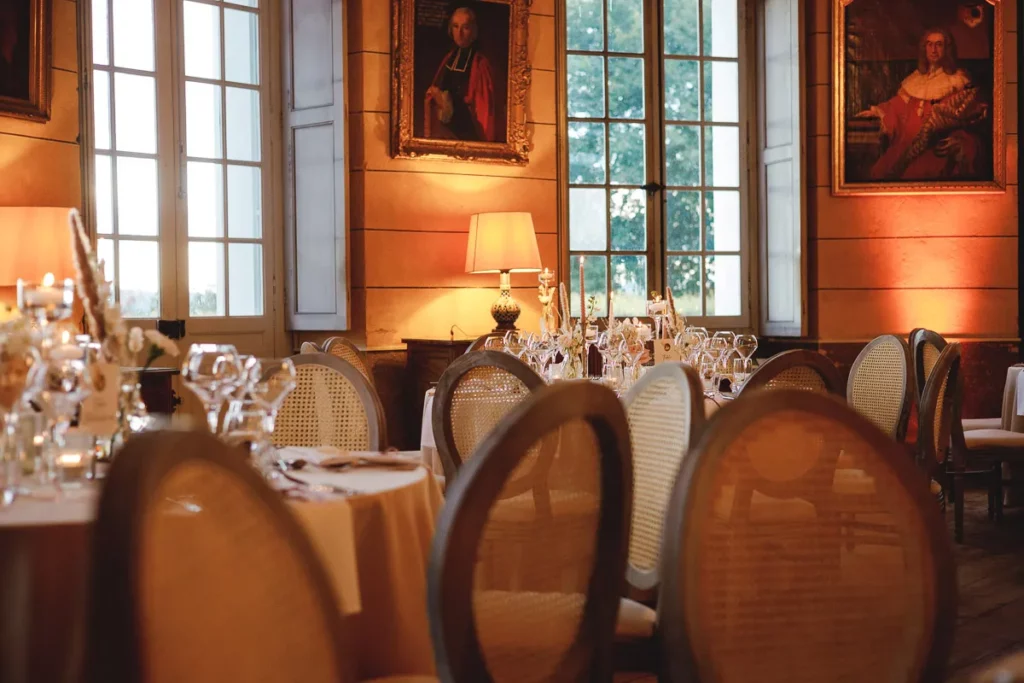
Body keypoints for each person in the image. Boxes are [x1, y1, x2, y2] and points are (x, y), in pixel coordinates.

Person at [855, 27, 988, 181]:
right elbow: (896, 107)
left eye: (939, 45)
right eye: (929, 44)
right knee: (883, 171)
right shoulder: (915, 79)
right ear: (924, 48)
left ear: (947, 49)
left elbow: (966, 119)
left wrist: (958, 140)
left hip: (935, 147)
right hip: (906, 145)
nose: (933, 50)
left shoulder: (958, 81)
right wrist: (877, 112)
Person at [424, 5, 496, 142]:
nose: (460, 33)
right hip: (446, 131)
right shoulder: (450, 57)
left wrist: (444, 101)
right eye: (456, 27)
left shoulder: (480, 64)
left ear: (474, 31)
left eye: (465, 27)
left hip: (468, 132)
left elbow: (482, 111)